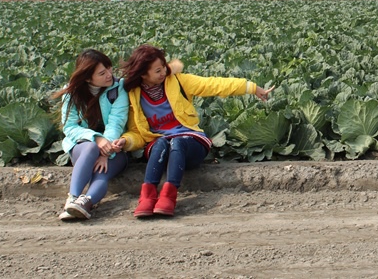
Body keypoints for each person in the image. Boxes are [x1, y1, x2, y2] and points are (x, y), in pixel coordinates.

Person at [115, 44, 273, 218]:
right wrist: (126, 141)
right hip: (160, 144)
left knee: (178, 141)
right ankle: (147, 197)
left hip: (191, 141)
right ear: (143, 74)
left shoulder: (179, 81)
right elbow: (136, 132)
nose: (164, 73)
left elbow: (213, 85)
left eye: (164, 67)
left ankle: (169, 195)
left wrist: (251, 88)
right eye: (158, 71)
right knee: (160, 142)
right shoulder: (134, 96)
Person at [53, 49, 129, 221]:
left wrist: (106, 151)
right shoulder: (72, 93)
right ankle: (72, 199)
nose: (109, 75)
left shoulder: (118, 89)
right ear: (88, 78)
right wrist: (96, 138)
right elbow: (70, 127)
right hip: (83, 147)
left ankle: (84, 204)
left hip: (115, 148)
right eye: (102, 73)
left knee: (101, 174)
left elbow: (116, 122)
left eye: (109, 69)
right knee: (90, 147)